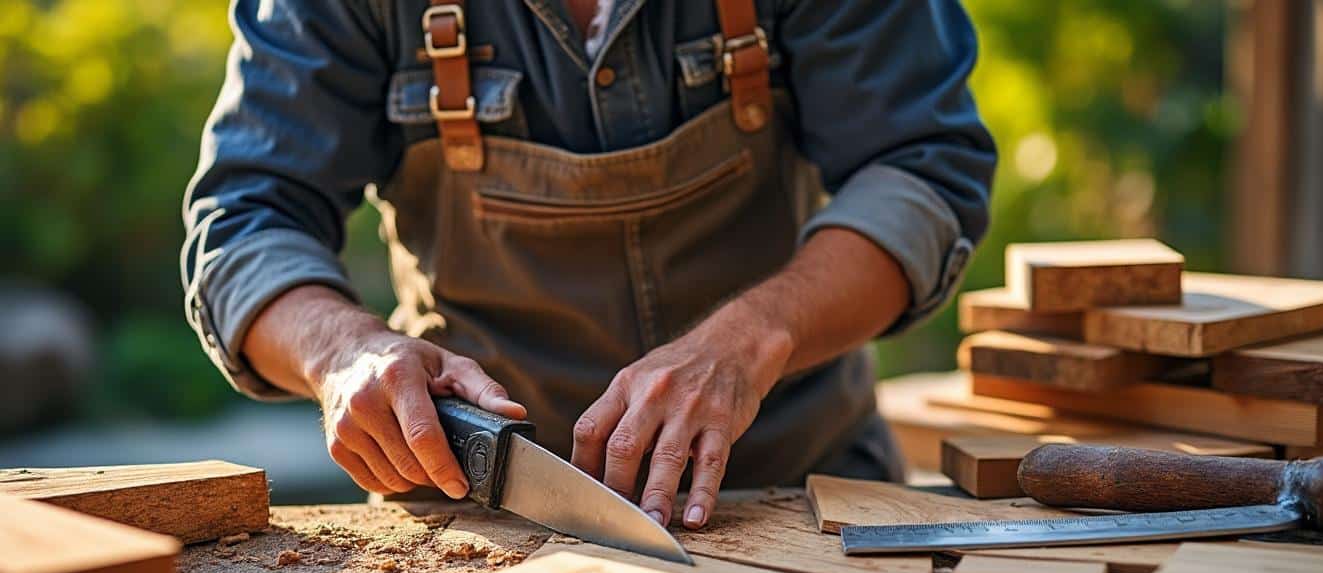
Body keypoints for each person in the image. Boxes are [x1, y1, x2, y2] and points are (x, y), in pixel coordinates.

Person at [181, 0, 996, 530]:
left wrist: (752, 339)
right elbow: (247, 219)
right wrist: (343, 353)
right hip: (473, 521)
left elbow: (923, 169)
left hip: (799, 496)